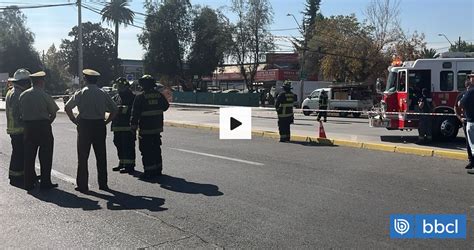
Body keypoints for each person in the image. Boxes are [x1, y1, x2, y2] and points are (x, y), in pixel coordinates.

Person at [65, 69, 118, 192]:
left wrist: (74, 120)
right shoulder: (102, 93)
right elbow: (114, 109)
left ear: (85, 79)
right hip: (99, 125)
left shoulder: (81, 93)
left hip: (84, 125)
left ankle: (82, 185)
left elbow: (68, 107)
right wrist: (106, 122)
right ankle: (103, 184)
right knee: (101, 155)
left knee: (83, 156)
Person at [19, 71, 60, 190]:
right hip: (43, 127)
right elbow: (53, 113)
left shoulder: (23, 95)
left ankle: (28, 183)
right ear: (41, 82)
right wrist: (47, 123)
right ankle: (45, 182)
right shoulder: (44, 95)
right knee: (46, 156)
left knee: (29, 156)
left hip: (28, 127)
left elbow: (19, 113)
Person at [130, 75, 169, 179]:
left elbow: (135, 114)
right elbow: (166, 107)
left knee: (146, 151)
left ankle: (149, 171)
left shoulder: (140, 97)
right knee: (156, 149)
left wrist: (133, 128)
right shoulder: (159, 95)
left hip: (145, 129)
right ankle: (158, 170)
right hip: (157, 128)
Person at [5, 69, 31, 187]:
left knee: (17, 153)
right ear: (23, 82)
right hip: (18, 128)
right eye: (28, 81)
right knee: (19, 154)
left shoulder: (11, 91)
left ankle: (16, 175)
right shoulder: (18, 94)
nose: (29, 84)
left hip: (13, 128)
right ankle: (17, 178)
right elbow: (18, 113)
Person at [111, 77, 136, 174]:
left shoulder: (132, 97)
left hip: (128, 126)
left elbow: (132, 110)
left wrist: (119, 109)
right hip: (117, 125)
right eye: (117, 86)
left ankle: (129, 165)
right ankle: (122, 162)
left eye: (120, 86)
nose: (118, 88)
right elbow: (109, 107)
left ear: (126, 87)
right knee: (118, 143)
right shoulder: (116, 97)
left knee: (128, 145)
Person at [458, 74, 474, 170]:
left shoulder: (469, 92)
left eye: (472, 77)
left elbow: (460, 104)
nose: (470, 78)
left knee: (472, 145)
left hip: (471, 121)